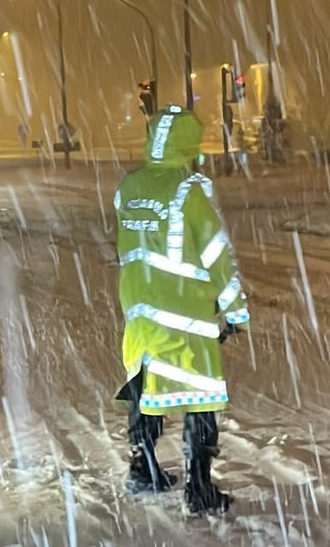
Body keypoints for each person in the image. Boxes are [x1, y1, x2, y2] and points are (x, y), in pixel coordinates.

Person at [112, 105, 250, 516]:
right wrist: (236, 310)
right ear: (188, 143)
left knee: (145, 384)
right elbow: (215, 254)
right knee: (201, 396)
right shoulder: (188, 190)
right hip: (185, 313)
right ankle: (199, 487)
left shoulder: (129, 186)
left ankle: (144, 468)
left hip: (139, 310)